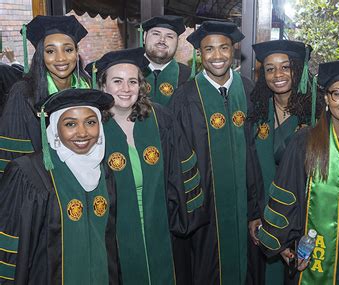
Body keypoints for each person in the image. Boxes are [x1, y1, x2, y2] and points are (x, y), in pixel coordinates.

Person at [257, 57, 339, 284]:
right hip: (311, 262)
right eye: (338, 93)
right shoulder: (304, 142)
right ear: (326, 98)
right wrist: (286, 245)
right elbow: (287, 196)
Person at [87, 47, 204, 285]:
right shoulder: (92, 128)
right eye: (117, 81)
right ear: (103, 86)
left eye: (132, 81)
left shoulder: (161, 119)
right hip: (114, 234)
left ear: (141, 85)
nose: (126, 88)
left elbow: (181, 173)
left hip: (162, 228)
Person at [169, 20, 262, 285]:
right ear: (200, 54)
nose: (217, 56)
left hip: (245, 210)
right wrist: (192, 210)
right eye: (209, 49)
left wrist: (255, 209)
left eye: (224, 48)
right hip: (204, 213)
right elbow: (178, 163)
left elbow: (255, 157)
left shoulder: (250, 91)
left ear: (234, 50)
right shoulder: (184, 98)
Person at [0, 88, 119, 284]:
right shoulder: (28, 174)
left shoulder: (104, 173)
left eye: (90, 122)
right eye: (70, 124)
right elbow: (10, 250)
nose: (82, 132)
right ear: (55, 128)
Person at [246, 39, 313, 285]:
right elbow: (250, 167)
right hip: (265, 218)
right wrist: (254, 214)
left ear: (298, 70)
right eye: (270, 68)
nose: (278, 75)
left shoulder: (315, 114)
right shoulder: (258, 111)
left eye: (286, 67)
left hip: (301, 222)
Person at [0, 15, 90, 177]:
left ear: (77, 53)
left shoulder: (89, 89)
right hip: (44, 186)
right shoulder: (23, 93)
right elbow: (14, 157)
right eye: (50, 51)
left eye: (68, 49)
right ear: (41, 55)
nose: (61, 58)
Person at [141, 15, 191, 105]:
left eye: (169, 36)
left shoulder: (189, 78)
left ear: (177, 42)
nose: (162, 40)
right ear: (144, 36)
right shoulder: (130, 73)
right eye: (156, 34)